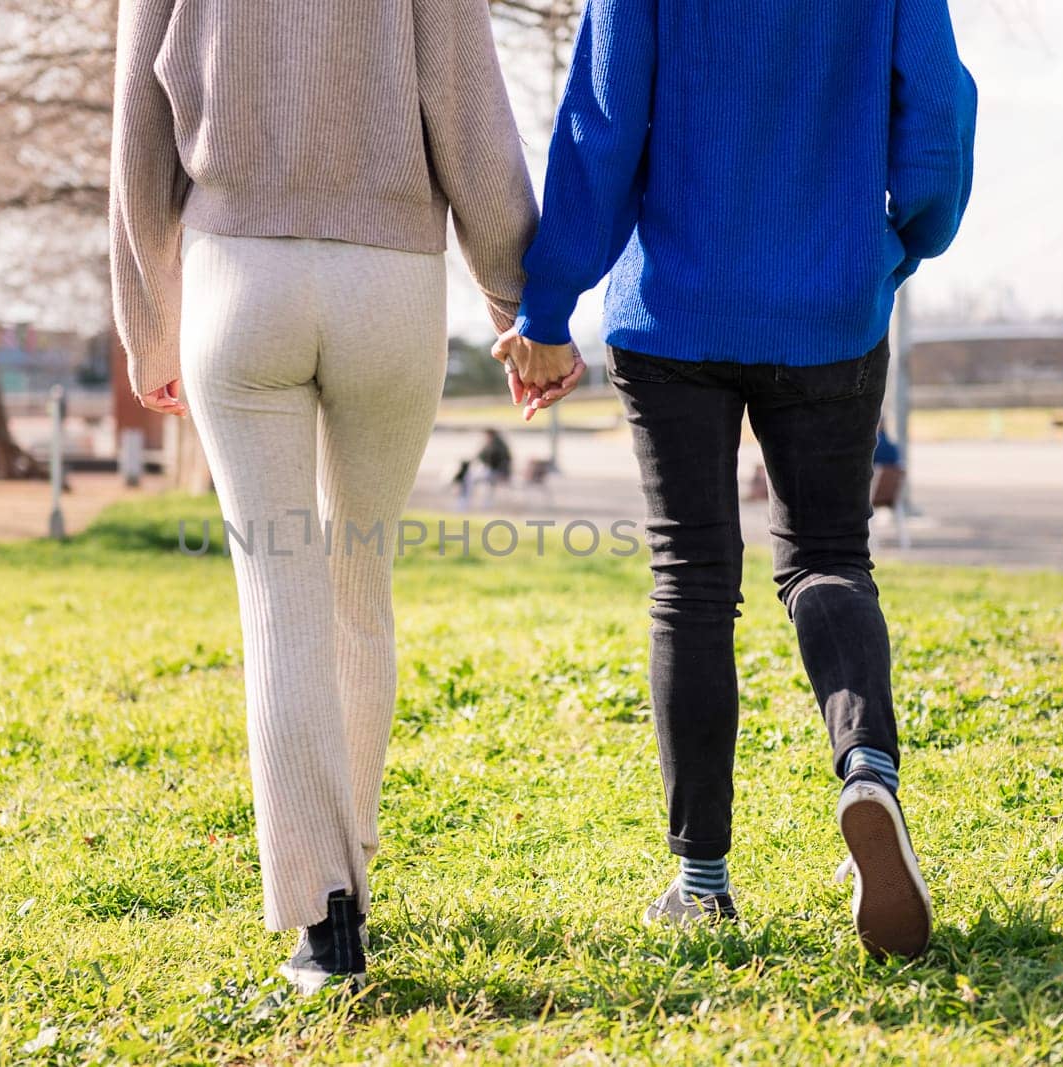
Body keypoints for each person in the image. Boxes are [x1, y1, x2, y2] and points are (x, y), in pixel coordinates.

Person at [109, 0, 581, 993]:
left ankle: (322, 923)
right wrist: (520, 304)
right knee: (358, 587)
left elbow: (136, 123)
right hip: (390, 286)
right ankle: (348, 883)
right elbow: (468, 108)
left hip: (239, 278)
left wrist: (150, 320)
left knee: (280, 600)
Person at [496, 0, 976, 957]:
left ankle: (702, 881)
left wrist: (549, 309)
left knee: (693, 579)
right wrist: (899, 242)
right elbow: (936, 116)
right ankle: (866, 766)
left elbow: (600, 124)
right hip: (830, 302)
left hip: (673, 308)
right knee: (828, 556)